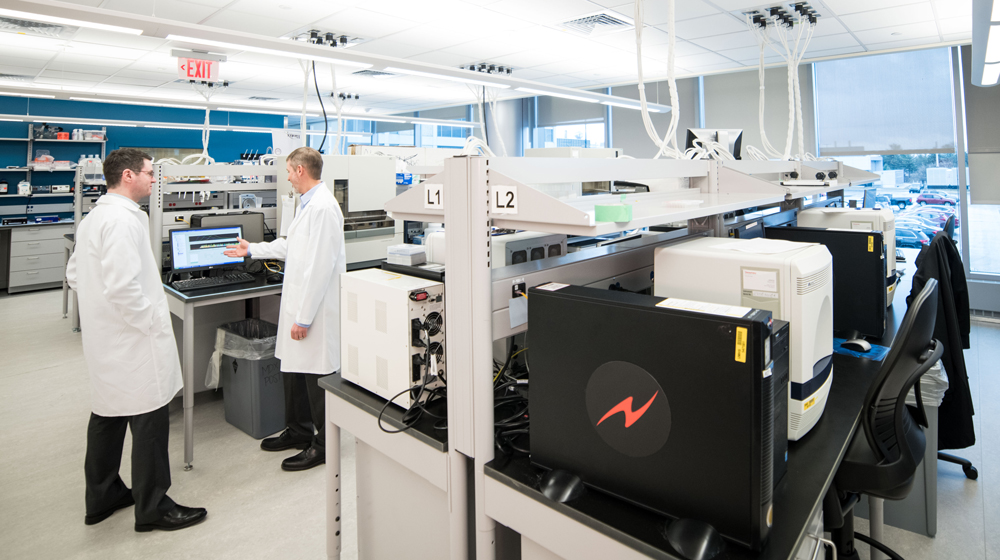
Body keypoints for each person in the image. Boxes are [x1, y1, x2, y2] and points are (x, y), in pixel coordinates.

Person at [67, 148, 207, 532]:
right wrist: (150, 321)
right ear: (128, 175)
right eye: (149, 173)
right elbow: (125, 288)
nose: (153, 179)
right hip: (133, 341)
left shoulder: (96, 216)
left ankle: (103, 495)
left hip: (106, 340)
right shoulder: (125, 222)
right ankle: (153, 506)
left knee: (107, 416)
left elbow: (75, 275)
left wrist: (101, 310)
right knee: (149, 421)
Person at [224, 146, 345, 471]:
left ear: (301, 170)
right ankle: (298, 431)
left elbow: (319, 267)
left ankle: (323, 445)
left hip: (314, 311)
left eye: (290, 171)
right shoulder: (307, 205)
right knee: (293, 372)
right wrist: (253, 249)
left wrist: (304, 318)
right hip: (300, 305)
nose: (288, 177)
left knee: (315, 378)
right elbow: (291, 245)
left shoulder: (323, 208)